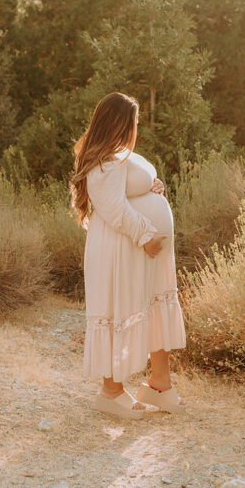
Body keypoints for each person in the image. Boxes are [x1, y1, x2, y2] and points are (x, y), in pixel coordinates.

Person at [69, 91, 187, 420]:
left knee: (150, 306)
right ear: (119, 122)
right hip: (120, 248)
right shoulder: (103, 160)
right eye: (133, 122)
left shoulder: (117, 155)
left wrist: (153, 185)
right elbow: (113, 207)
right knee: (119, 309)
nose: (136, 127)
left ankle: (159, 384)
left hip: (139, 252)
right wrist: (147, 235)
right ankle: (111, 392)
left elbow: (129, 190)